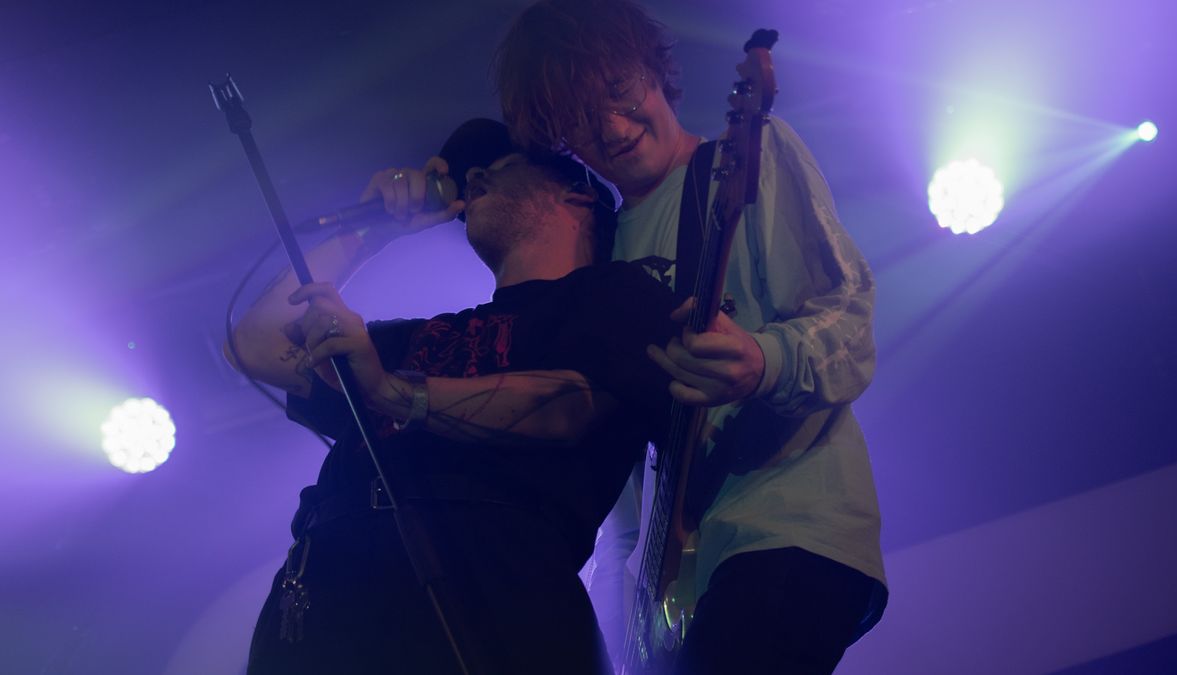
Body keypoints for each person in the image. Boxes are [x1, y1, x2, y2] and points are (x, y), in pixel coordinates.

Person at [493, 1, 888, 673]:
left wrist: (764, 359)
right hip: (677, 582)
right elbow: (615, 470)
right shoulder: (599, 254)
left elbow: (849, 315)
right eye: (581, 119)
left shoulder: (746, 158)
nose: (613, 127)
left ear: (652, 67)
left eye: (619, 91)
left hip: (789, 526)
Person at [226, 119, 681, 674]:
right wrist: (373, 230)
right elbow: (256, 344)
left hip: (490, 607)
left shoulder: (616, 295)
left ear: (577, 194)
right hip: (323, 608)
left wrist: (392, 392)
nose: (475, 178)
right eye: (471, 175)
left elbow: (570, 407)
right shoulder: (416, 338)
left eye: (500, 166)